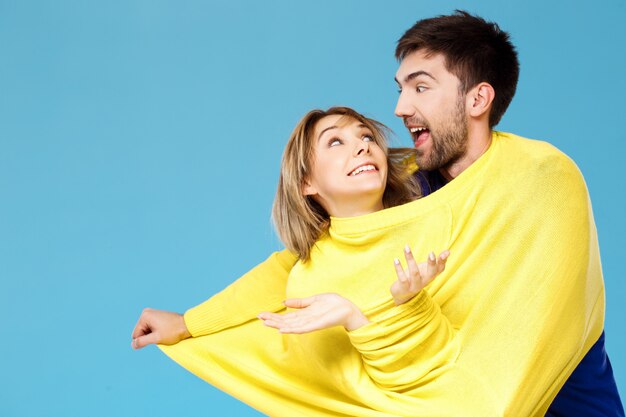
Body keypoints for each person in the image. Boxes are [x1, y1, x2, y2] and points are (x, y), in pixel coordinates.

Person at [132, 10, 624, 416]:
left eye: (420, 87)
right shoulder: (401, 181)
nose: (398, 107)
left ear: (478, 98)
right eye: (399, 87)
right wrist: (190, 324)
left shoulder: (541, 179)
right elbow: (304, 262)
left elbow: (517, 342)